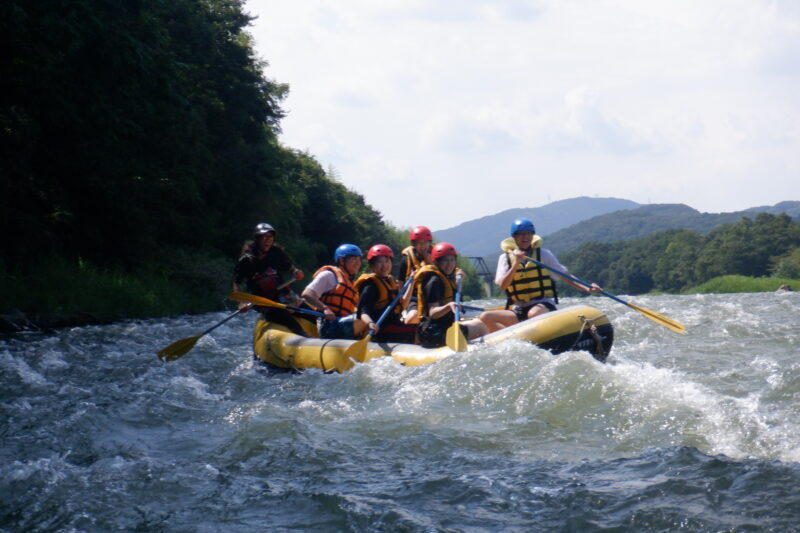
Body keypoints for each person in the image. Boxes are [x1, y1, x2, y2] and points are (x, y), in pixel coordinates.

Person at [479, 218, 601, 333]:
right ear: (514, 237)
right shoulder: (505, 258)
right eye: (521, 234)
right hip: (519, 308)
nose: (525, 237)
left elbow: (565, 276)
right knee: (485, 317)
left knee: (534, 314)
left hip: (543, 304)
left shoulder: (544, 254)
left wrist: (587, 288)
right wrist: (516, 264)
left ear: (533, 235)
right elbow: (503, 286)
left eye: (528, 233)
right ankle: (512, 341)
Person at [233, 222, 307, 333]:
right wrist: (241, 302)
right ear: (257, 239)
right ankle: (302, 336)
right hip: (264, 301)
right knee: (286, 318)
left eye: (271, 237)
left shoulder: (276, 252)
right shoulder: (247, 259)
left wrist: (296, 272)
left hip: (283, 293)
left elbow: (289, 267)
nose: (268, 240)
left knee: (309, 311)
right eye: (264, 237)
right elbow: (236, 282)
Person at [414, 242, 488, 348]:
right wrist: (449, 306)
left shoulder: (447, 277)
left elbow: (454, 294)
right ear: (437, 262)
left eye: (452, 260)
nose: (449, 264)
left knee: (480, 324)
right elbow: (433, 312)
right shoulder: (434, 281)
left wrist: (459, 280)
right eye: (445, 260)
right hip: (432, 333)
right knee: (481, 329)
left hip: (444, 327)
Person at [301, 243, 368, 339]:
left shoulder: (351, 284)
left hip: (343, 322)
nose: (358, 263)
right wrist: (325, 308)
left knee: (369, 318)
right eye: (354, 259)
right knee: (363, 318)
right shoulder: (329, 275)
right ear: (341, 260)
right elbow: (307, 294)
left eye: (359, 260)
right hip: (328, 326)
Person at [355, 244, 416, 344]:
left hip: (394, 326)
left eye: (387, 261)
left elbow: (402, 305)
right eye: (380, 262)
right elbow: (363, 312)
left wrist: (411, 283)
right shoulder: (370, 286)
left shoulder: (390, 281)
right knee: (418, 331)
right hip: (381, 330)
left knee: (420, 327)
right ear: (372, 266)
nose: (384, 266)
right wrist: (370, 323)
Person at [398, 225, 433, 324]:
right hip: (413, 299)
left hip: (434, 298)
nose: (423, 246)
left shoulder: (437, 257)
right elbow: (400, 283)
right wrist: (400, 304)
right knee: (413, 317)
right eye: (419, 243)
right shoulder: (406, 260)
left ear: (429, 243)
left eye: (425, 242)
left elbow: (449, 271)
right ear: (414, 244)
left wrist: (430, 263)